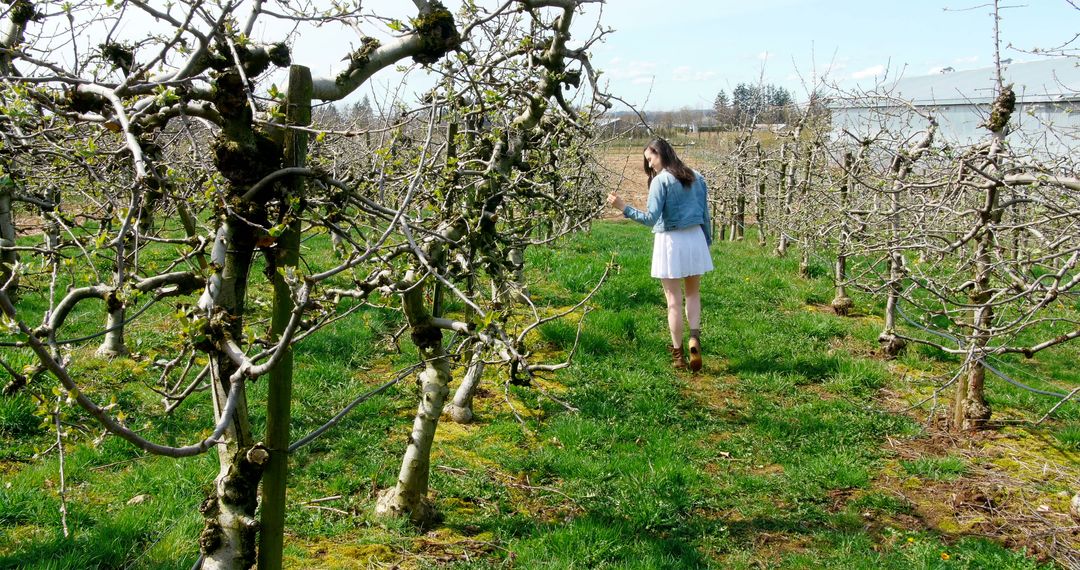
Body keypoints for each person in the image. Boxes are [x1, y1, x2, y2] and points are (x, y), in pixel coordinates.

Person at [607, 138, 713, 372]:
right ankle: (694, 338)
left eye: (650, 158)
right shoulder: (697, 176)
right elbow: (706, 215)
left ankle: (678, 355)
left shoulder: (660, 181)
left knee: (673, 300)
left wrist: (623, 207)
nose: (650, 164)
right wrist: (706, 242)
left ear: (661, 153)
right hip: (695, 238)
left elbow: (650, 219)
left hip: (671, 241)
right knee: (693, 294)